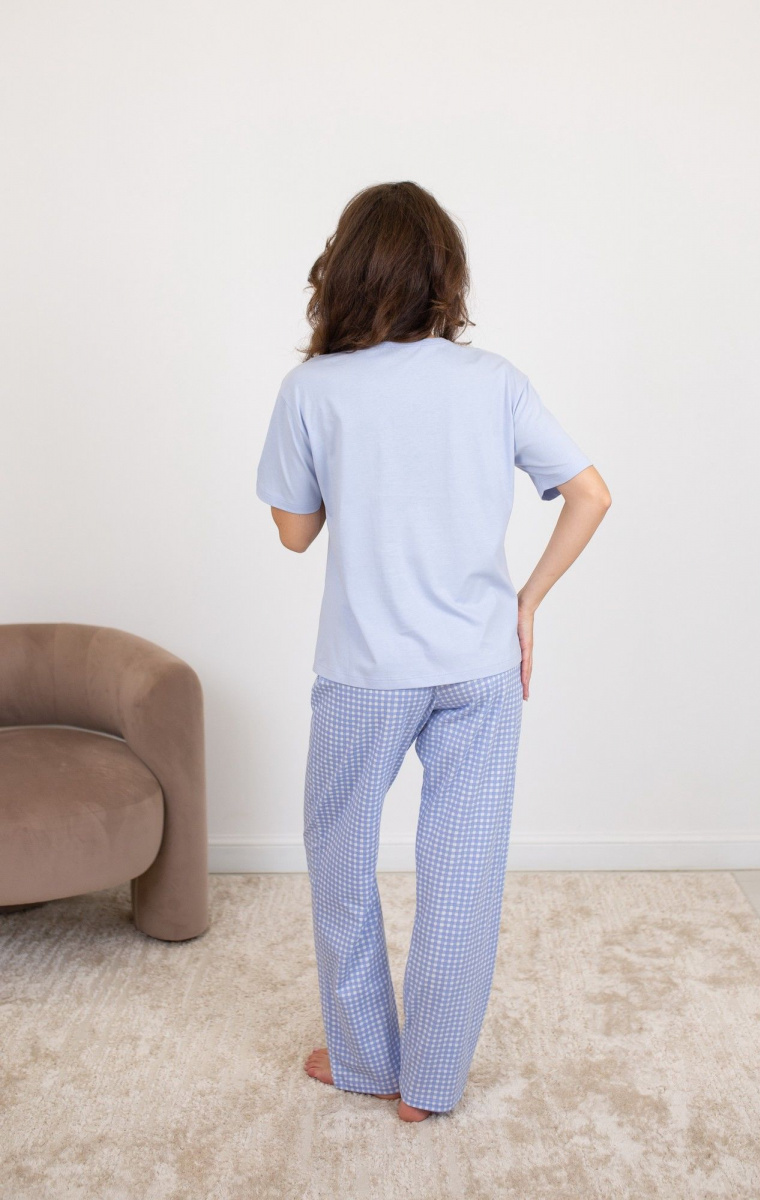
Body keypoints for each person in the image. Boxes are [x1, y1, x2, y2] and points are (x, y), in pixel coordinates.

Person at [255, 181, 611, 1123]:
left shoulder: (312, 389)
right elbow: (591, 494)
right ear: (444, 275)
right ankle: (433, 1083)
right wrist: (527, 601)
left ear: (343, 271)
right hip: (481, 667)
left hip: (364, 674)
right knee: (464, 874)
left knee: (341, 860)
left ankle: (367, 1059)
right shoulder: (494, 380)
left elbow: (294, 533)